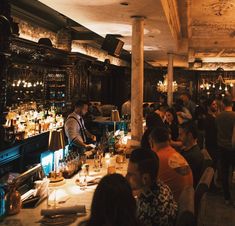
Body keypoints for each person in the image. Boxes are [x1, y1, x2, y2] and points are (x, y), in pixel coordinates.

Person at [126, 148, 177, 226]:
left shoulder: (147, 211)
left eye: (131, 174)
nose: (127, 177)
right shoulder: (161, 185)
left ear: (145, 178)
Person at [149, 127, 193, 201]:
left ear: (151, 142)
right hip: (187, 202)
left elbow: (146, 188)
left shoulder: (157, 159)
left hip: (174, 206)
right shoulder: (176, 154)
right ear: (169, 141)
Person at [216, 95, 235, 205]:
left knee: (224, 171)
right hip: (233, 147)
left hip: (222, 147)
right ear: (231, 104)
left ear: (223, 104)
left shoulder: (218, 116)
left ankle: (227, 197)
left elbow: (217, 129)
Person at [179, 121, 204, 187]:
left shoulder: (191, 156)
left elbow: (182, 178)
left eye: (181, 135)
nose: (179, 138)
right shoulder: (193, 150)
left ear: (189, 135)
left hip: (187, 190)